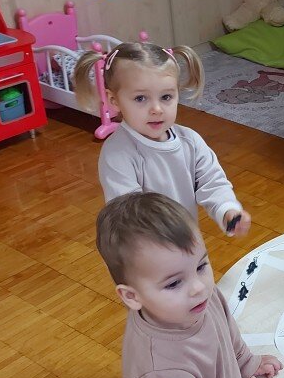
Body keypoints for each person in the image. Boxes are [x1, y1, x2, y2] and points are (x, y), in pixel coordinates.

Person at [96, 192, 282, 378]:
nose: (198, 286)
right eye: (174, 283)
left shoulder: (198, 297)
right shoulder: (159, 374)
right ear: (132, 296)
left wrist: (244, 361)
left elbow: (226, 327)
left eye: (201, 266)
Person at [74, 41, 251, 236]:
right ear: (113, 100)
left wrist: (227, 209)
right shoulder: (117, 154)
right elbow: (128, 215)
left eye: (166, 97)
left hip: (188, 242)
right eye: (141, 98)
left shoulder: (190, 141)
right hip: (145, 248)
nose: (157, 109)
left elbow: (212, 182)